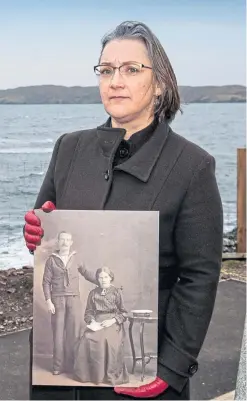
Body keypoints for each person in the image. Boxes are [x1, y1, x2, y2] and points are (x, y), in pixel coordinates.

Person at [24, 20, 223, 400]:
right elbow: (44, 231)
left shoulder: (192, 166)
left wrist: (172, 367)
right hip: (62, 367)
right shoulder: (69, 148)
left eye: (131, 69)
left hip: (142, 366)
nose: (116, 80)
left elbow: (199, 275)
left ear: (160, 82)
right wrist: (36, 234)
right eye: (106, 70)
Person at [42, 230, 97, 375]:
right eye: (62, 239)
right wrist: (48, 301)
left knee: (74, 334)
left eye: (68, 240)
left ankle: (72, 366)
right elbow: (46, 282)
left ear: (71, 242)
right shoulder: (51, 260)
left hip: (74, 299)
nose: (65, 242)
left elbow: (86, 273)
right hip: (57, 300)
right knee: (58, 336)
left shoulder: (77, 258)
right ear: (58, 242)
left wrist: (101, 280)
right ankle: (57, 367)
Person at [74, 267, 129, 386]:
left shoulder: (116, 292)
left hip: (113, 324)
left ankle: (108, 376)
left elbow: (124, 313)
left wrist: (113, 320)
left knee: (107, 340)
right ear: (97, 279)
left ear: (110, 278)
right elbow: (88, 312)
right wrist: (92, 321)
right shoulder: (93, 293)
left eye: (105, 277)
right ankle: (91, 375)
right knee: (86, 338)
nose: (103, 280)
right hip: (97, 322)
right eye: (100, 277)